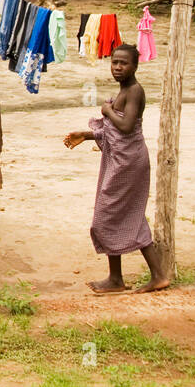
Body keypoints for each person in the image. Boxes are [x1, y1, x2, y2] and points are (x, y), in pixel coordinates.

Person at [63, 44, 170, 294]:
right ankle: (123, 278)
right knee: (124, 214)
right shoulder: (124, 90)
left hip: (129, 163)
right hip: (122, 161)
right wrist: (88, 135)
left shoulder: (134, 90)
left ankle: (132, 277)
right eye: (114, 63)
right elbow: (115, 132)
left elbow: (125, 126)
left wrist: (107, 109)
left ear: (135, 66)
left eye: (124, 63)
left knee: (106, 215)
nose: (118, 67)